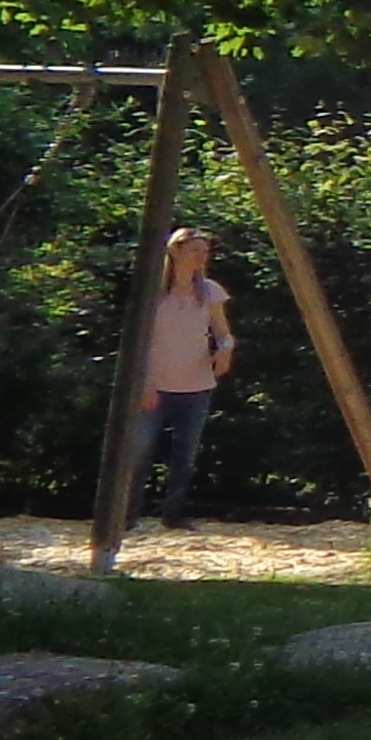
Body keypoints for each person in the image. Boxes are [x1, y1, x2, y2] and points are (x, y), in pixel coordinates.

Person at [127, 226, 234, 528]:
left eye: (205, 251)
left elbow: (223, 333)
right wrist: (145, 383)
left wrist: (225, 350)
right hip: (154, 385)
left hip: (196, 385)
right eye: (194, 250)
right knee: (139, 452)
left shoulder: (210, 291)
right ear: (175, 251)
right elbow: (140, 342)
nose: (202, 256)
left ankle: (172, 516)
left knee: (185, 454)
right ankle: (127, 515)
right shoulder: (153, 292)